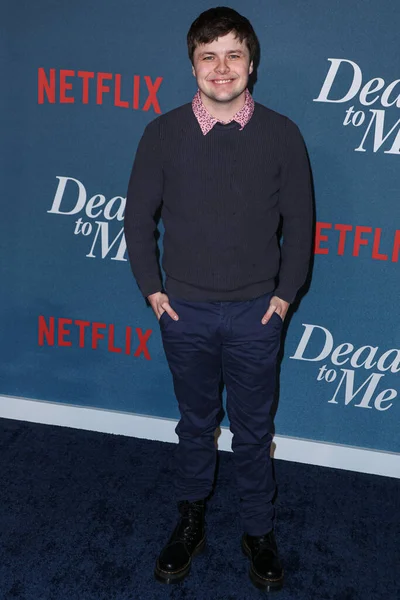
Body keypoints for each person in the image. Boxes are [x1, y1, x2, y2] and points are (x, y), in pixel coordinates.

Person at [124, 6, 313, 591]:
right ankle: (192, 518)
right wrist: (153, 292)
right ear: (193, 66)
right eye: (209, 56)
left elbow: (301, 224)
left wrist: (283, 300)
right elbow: (136, 217)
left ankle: (258, 530)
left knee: (255, 431)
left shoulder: (282, 133)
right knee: (195, 424)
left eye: (233, 54)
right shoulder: (162, 132)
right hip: (185, 312)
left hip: (258, 313)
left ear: (251, 64)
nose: (221, 67)